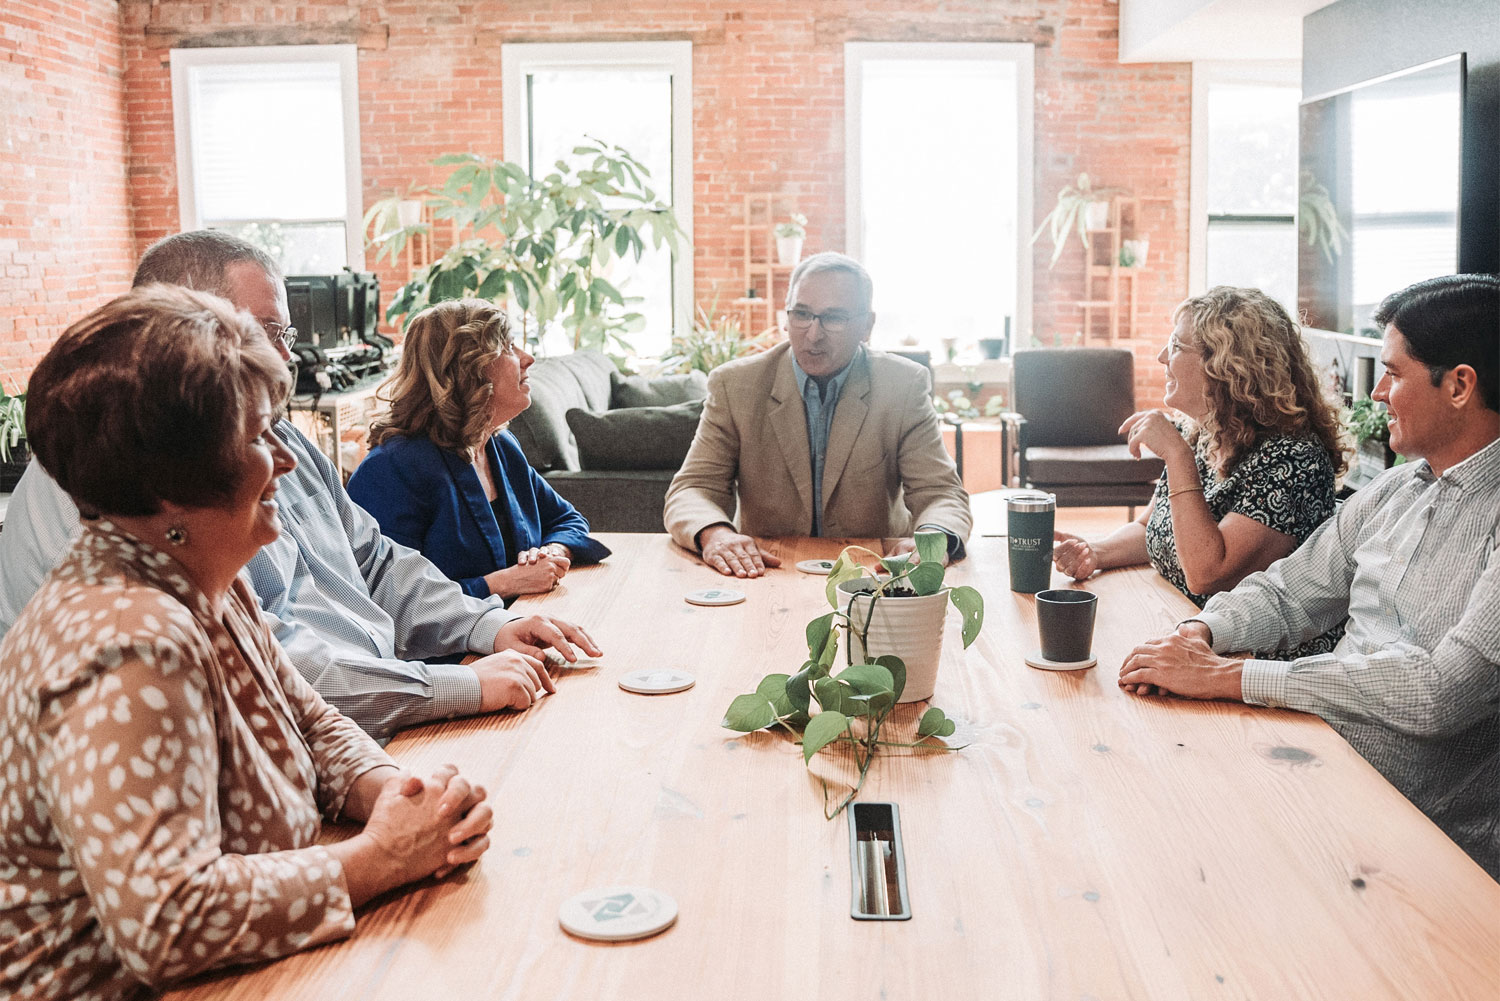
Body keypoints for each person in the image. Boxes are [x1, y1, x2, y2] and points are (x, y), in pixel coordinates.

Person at [0, 286, 494, 999]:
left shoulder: (202, 576)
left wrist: (401, 794)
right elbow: (170, 919)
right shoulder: (128, 640)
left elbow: (309, 719)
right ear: (174, 488)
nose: (285, 463)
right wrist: (382, 857)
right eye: (260, 437)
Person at [0, 231, 602, 741]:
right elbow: (274, 676)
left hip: (357, 725)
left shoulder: (276, 434)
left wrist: (484, 625)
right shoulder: (116, 483)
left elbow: (375, 560)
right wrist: (453, 686)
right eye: (267, 334)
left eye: (287, 338)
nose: (289, 363)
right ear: (180, 329)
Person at [1118, 274, 1500, 877]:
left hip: (1422, 839)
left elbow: (1439, 695)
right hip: (1319, 759)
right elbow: (1289, 590)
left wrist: (1233, 676)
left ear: (1459, 386)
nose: (1376, 393)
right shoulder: (1397, 490)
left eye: (1394, 373)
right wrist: (1203, 633)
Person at [1054, 286, 1347, 657]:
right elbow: (1151, 528)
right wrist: (1095, 551)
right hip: (1181, 629)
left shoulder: (1293, 460)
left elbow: (1207, 573)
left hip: (1250, 668)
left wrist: (1176, 457)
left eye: (1176, 347)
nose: (1162, 356)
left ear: (1226, 366)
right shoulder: (1206, 433)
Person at [663, 251, 971, 577]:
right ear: (786, 316)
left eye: (834, 318)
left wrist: (932, 542)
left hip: (873, 574)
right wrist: (716, 534)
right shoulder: (735, 385)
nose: (813, 334)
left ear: (867, 325)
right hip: (765, 571)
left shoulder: (903, 385)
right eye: (802, 314)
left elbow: (941, 494)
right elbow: (691, 489)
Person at [347, 299, 610, 600]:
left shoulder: (500, 446)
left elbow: (567, 520)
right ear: (469, 369)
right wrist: (502, 583)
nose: (528, 359)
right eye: (509, 347)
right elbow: (386, 599)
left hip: (520, 623)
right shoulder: (392, 469)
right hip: (459, 646)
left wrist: (550, 552)